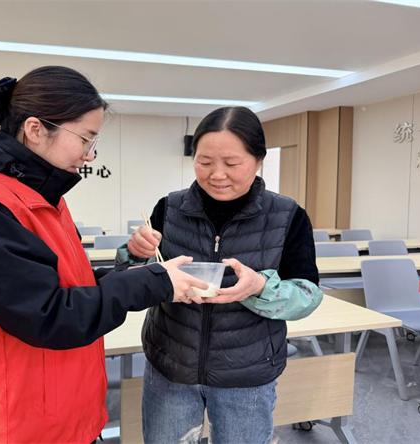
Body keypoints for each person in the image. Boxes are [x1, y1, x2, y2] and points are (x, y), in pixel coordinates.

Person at [0, 66, 208, 444]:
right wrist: (150, 282)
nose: (89, 155)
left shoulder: (41, 197)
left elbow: (70, 285)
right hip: (12, 421)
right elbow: (48, 314)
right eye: (85, 139)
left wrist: (138, 273)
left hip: (60, 410)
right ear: (35, 129)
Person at [123, 106, 324, 444]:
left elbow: (307, 295)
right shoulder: (169, 208)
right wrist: (133, 251)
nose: (217, 175)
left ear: (258, 160)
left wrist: (260, 287)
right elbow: (137, 274)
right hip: (171, 365)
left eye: (232, 164)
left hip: (247, 374)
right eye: (204, 162)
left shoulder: (287, 216)